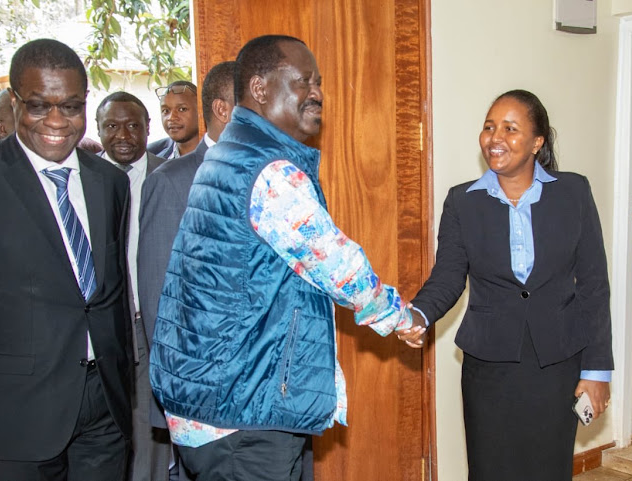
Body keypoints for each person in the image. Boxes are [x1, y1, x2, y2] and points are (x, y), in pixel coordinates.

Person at [149, 35, 413, 481]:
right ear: (258, 88)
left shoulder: (227, 156)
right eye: (304, 81)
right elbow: (336, 264)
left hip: (216, 402)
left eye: (319, 82)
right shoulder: (267, 171)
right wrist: (400, 317)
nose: (317, 93)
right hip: (242, 410)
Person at [400, 89, 614, 480]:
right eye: (489, 127)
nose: (494, 137)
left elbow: (595, 286)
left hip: (557, 362)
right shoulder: (462, 202)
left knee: (547, 470)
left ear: (537, 141)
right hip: (489, 366)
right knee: (490, 470)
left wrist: (597, 372)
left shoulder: (573, 192)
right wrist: (419, 312)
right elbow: (448, 276)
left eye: (510, 128)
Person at [0, 38, 133, 480]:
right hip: (16, 416)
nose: (56, 121)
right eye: (38, 106)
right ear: (14, 103)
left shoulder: (110, 182)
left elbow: (112, 293)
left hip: (105, 407)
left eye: (70, 107)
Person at [137, 61, 235, 481]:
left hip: (277, 401)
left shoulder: (284, 175)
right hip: (207, 401)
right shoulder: (173, 182)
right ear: (227, 109)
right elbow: (160, 300)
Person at [96, 91, 168, 481]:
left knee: (150, 435)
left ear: (147, 129)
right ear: (98, 130)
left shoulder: (169, 176)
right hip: (98, 331)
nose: (122, 134)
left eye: (132, 125)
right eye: (111, 126)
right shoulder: (82, 179)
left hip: (149, 324)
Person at [147, 81, 199, 159]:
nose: (171, 117)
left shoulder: (219, 154)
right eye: (166, 111)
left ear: (201, 111)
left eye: (182, 109)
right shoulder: (154, 159)